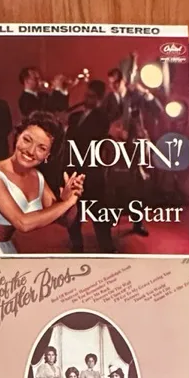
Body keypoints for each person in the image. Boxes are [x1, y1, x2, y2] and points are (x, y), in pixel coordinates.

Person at [0, 111, 85, 255]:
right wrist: (66, 203)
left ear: (47, 155)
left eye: (42, 148)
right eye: (27, 140)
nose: (30, 151)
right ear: (18, 136)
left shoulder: (37, 177)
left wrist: (70, 199)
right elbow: (23, 223)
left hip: (6, 249)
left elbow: (65, 221)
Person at [102, 67, 163, 238]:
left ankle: (137, 222)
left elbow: (157, 110)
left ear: (123, 81)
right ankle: (112, 217)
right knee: (115, 184)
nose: (113, 86)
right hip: (115, 147)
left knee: (138, 185)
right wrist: (112, 129)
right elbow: (100, 121)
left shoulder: (136, 96)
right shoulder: (108, 99)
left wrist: (146, 93)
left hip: (136, 145)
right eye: (110, 83)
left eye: (116, 82)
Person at [66, 80, 115, 253]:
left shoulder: (102, 118)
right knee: (72, 210)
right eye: (86, 95)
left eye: (91, 96)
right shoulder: (75, 117)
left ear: (99, 99)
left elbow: (90, 138)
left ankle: (107, 247)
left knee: (98, 210)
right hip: (73, 169)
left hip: (91, 171)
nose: (86, 99)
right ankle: (76, 246)